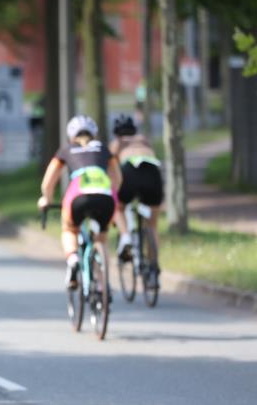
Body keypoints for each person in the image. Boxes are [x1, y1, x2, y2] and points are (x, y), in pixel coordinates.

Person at [37, 114, 122, 289]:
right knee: (101, 239)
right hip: (104, 195)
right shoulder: (103, 149)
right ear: (94, 134)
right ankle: (103, 286)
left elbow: (48, 181)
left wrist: (47, 198)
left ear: (71, 135)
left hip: (78, 195)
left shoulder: (66, 149)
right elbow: (118, 179)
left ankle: (73, 259)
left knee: (69, 229)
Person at [109, 114, 164, 267]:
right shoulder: (144, 140)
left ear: (116, 133)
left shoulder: (116, 143)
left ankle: (125, 236)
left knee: (118, 208)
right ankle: (153, 268)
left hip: (129, 170)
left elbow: (112, 169)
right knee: (152, 225)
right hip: (152, 171)